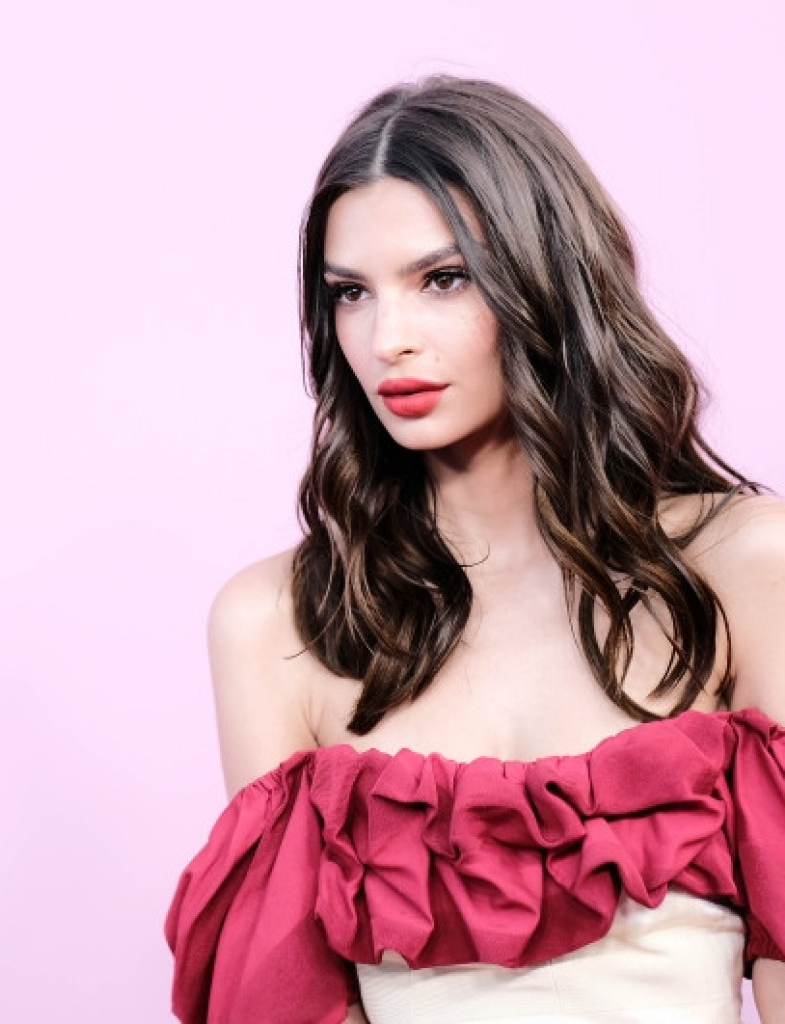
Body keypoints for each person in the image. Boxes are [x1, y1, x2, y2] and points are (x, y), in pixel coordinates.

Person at [165, 76, 785, 1024]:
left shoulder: (744, 568)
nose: (389, 339)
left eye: (443, 279)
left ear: (549, 277)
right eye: (351, 294)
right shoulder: (277, 625)